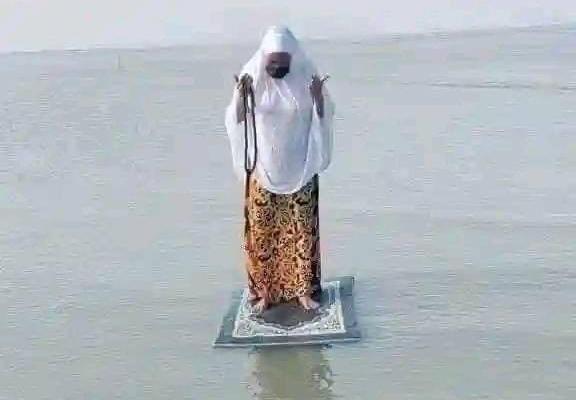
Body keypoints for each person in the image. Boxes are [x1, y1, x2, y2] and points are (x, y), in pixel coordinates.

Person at [225, 25, 334, 313]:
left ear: (292, 61)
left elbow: (324, 117)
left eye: (282, 64)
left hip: (300, 170)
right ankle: (265, 292)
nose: (277, 69)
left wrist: (318, 98)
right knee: (263, 232)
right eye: (272, 64)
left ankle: (303, 291)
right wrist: (240, 95)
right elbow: (236, 120)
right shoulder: (253, 81)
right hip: (263, 171)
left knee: (301, 232)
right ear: (264, 60)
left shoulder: (305, 81)